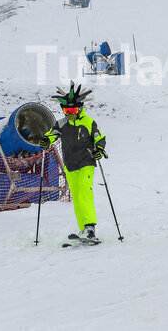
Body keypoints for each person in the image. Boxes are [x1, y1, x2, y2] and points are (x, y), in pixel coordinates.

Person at [38, 81, 106, 243]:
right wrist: (45, 141)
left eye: (73, 110)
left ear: (80, 109)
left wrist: (99, 149)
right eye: (67, 110)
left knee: (84, 191)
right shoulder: (61, 124)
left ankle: (90, 227)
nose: (70, 113)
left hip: (86, 161)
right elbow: (50, 136)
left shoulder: (89, 122)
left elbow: (99, 138)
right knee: (76, 197)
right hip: (70, 164)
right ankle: (83, 229)